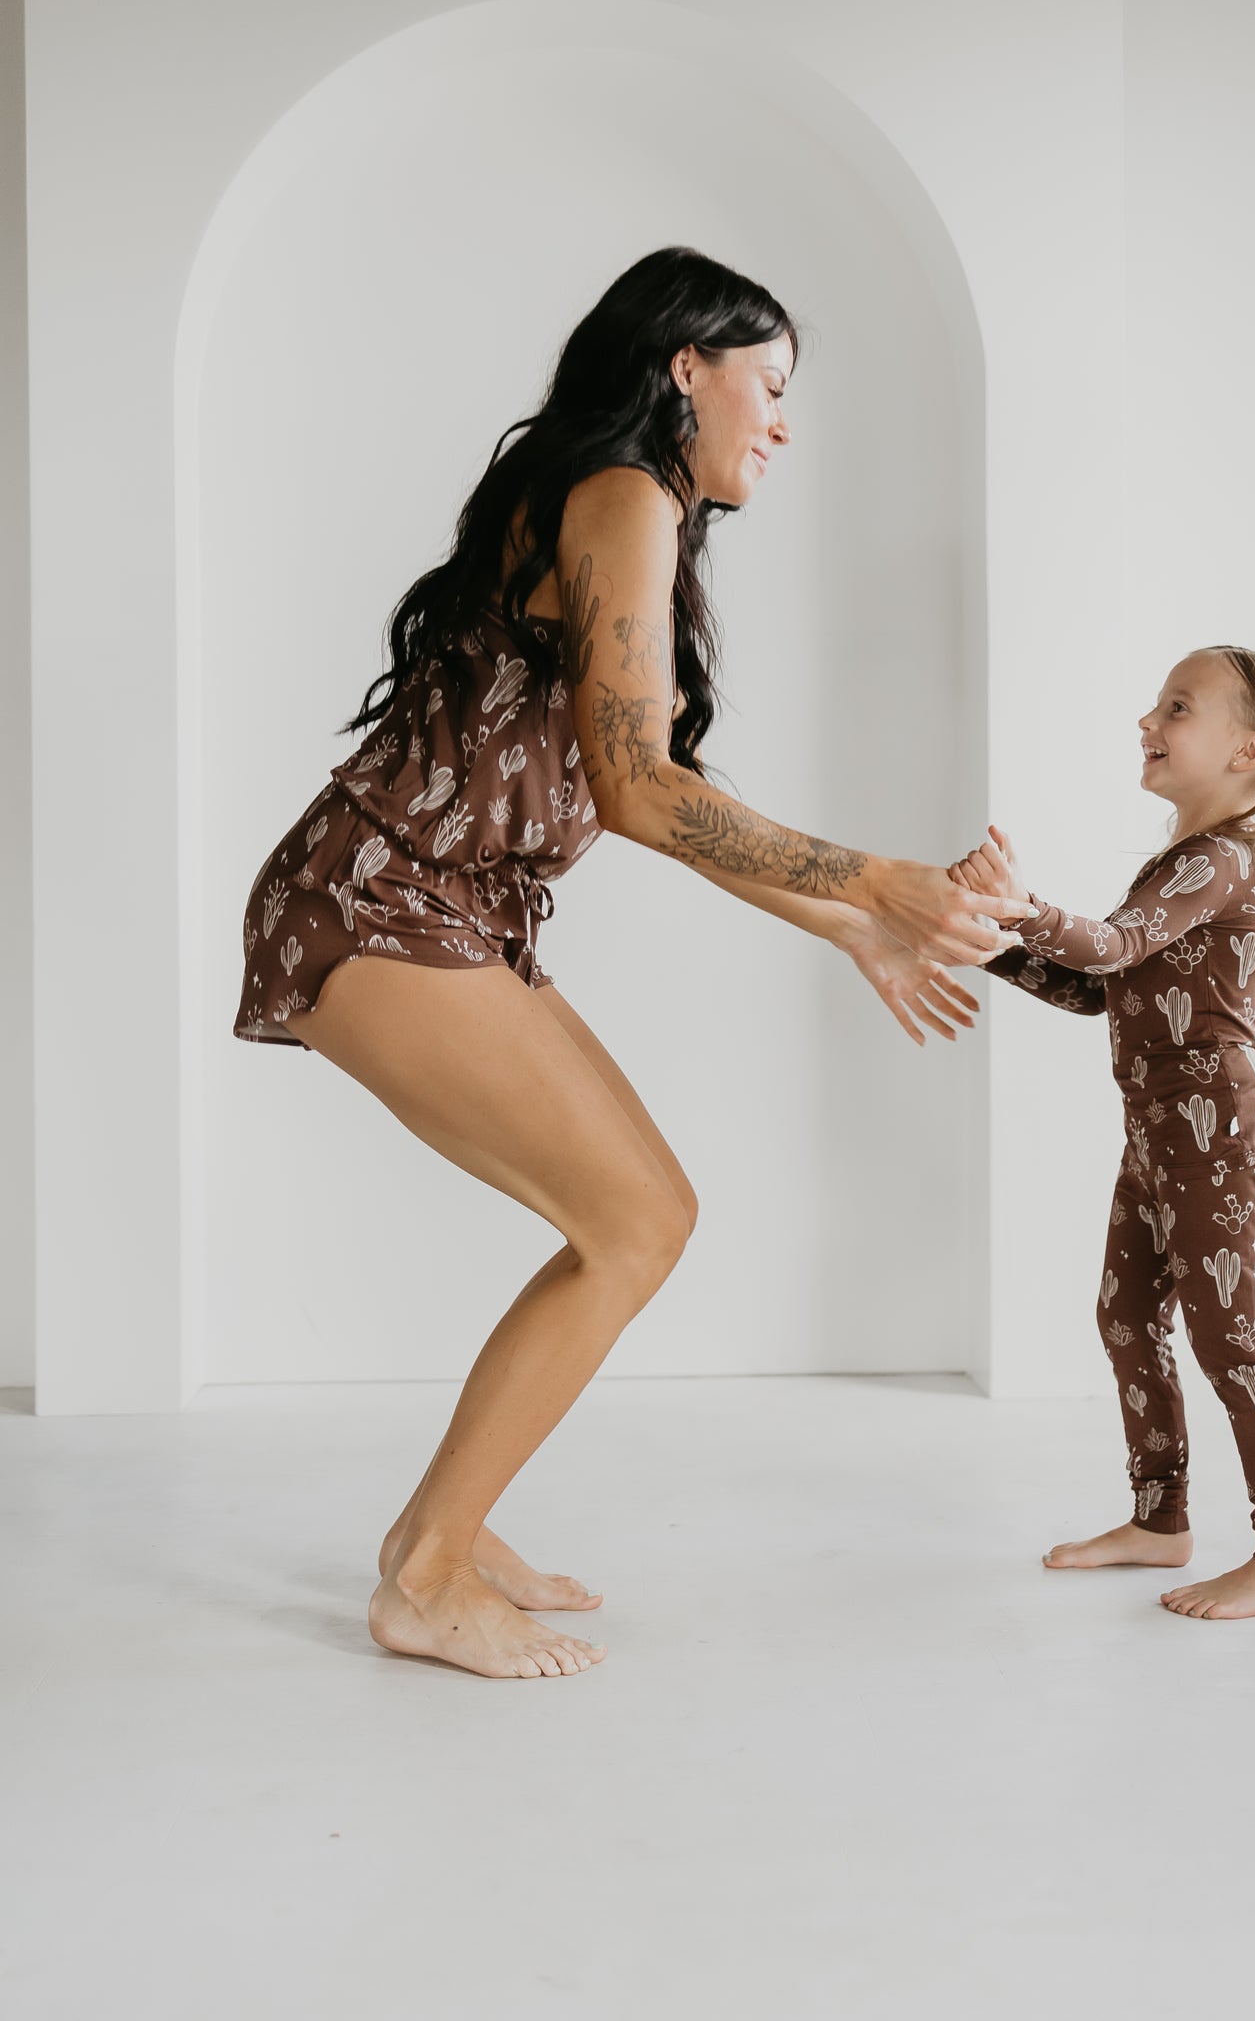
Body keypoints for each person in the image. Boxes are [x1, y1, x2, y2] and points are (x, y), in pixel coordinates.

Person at [234, 246, 1027, 1680]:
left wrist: (856, 924)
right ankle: (423, 1575)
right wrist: (880, 878)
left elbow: (644, 784)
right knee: (638, 1219)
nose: (783, 423)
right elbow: (648, 789)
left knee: (639, 1213)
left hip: (436, 903)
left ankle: (439, 1532)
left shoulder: (619, 505)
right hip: (380, 899)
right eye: (768, 386)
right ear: (685, 369)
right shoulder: (623, 497)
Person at [953, 646, 1255, 1621]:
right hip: (1160, 1132)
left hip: (1210, 1131)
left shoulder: (1218, 859)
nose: (1147, 720)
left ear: (1249, 749)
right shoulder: (1184, 862)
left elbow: (1113, 943)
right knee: (1125, 1316)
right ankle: (1158, 1518)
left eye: (1176, 706)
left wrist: (1020, 907)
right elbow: (1100, 989)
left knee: (1227, 1336)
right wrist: (991, 945)